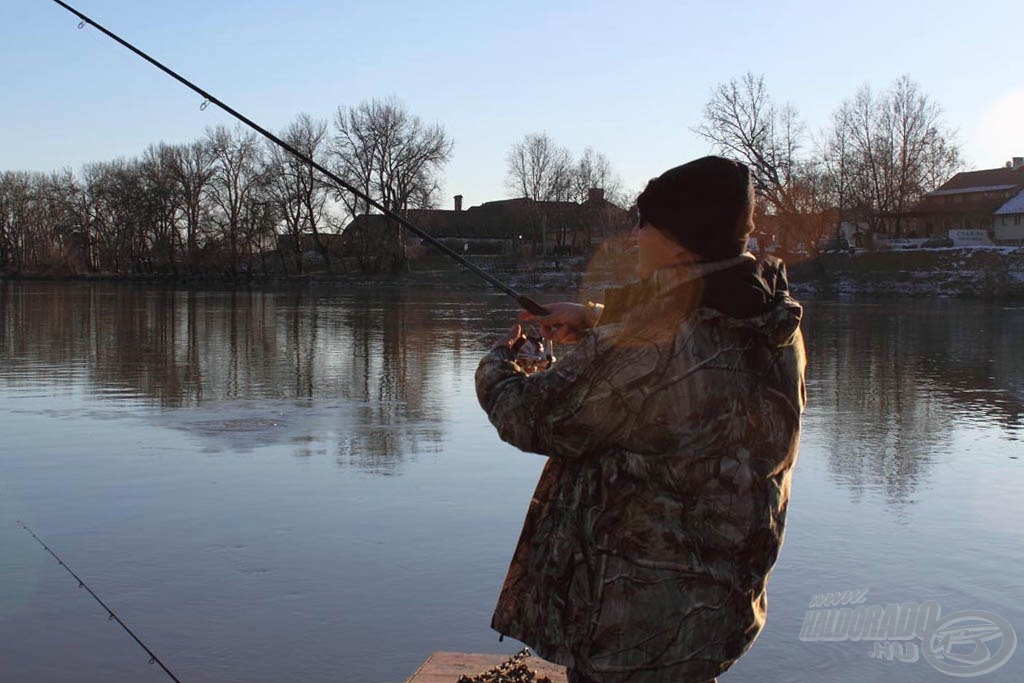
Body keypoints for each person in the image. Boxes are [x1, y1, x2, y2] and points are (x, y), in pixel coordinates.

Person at [475, 156, 807, 683]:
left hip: (636, 625)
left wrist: (500, 363)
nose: (633, 237)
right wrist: (597, 319)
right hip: (718, 606)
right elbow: (695, 325)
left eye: (643, 224)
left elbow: (530, 416)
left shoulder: (652, 342)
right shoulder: (770, 317)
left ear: (677, 239)